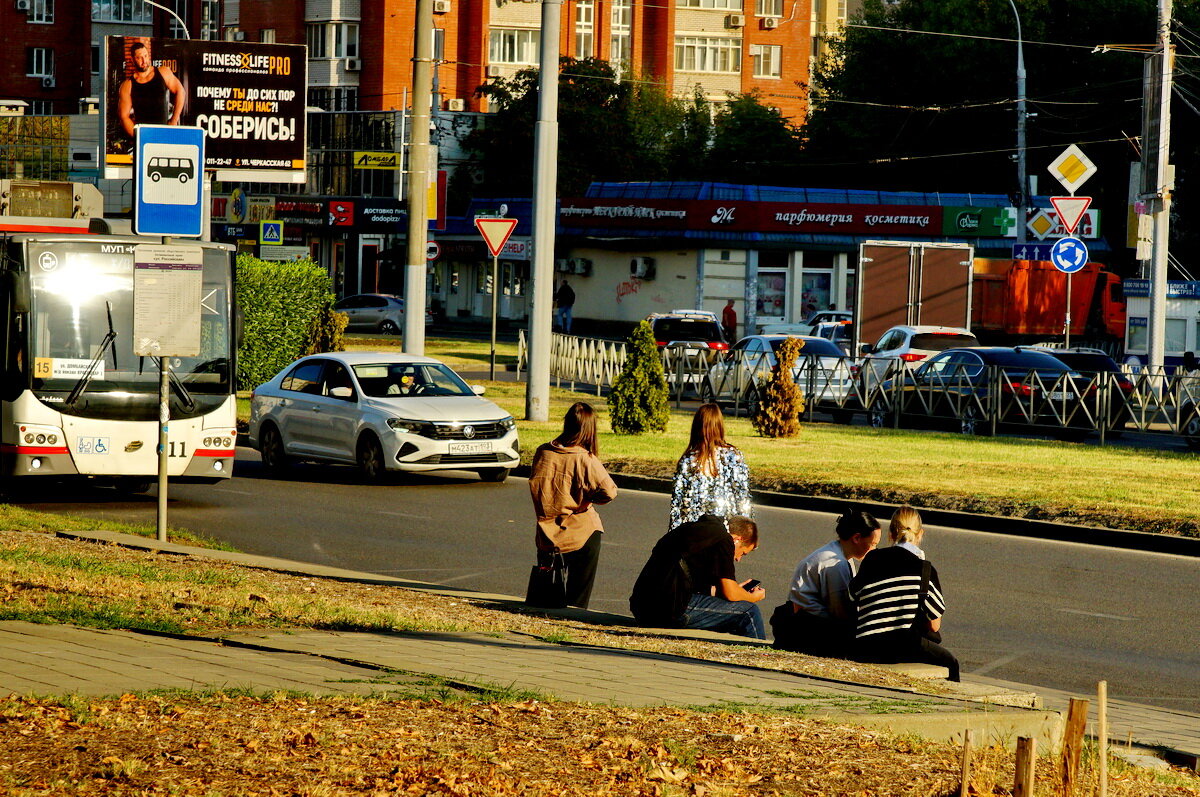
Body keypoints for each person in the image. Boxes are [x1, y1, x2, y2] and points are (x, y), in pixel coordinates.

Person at [849, 506, 960, 681]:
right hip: (903, 648)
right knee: (951, 664)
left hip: (866, 646)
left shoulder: (871, 560)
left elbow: (853, 598)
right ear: (920, 534)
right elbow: (934, 626)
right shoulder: (925, 570)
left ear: (890, 534)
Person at [527, 401, 617, 609]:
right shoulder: (585, 459)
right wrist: (588, 499)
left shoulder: (543, 453)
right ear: (589, 429)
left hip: (547, 533)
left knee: (547, 596)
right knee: (577, 601)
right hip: (582, 532)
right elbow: (610, 491)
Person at [630, 514, 765, 639]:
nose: (738, 559)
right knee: (749, 612)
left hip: (643, 608)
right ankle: (762, 657)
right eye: (743, 553)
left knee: (729, 613)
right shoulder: (724, 540)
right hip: (669, 610)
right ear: (737, 540)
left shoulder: (694, 530)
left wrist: (735, 590)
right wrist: (751, 597)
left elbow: (688, 581)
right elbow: (730, 594)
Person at [770, 507, 881, 656]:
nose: (875, 549)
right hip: (807, 628)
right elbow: (840, 611)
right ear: (856, 538)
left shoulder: (838, 553)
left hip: (802, 621)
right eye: (873, 544)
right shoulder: (835, 564)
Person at [669, 403, 751, 530]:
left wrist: (673, 536)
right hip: (724, 531)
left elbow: (678, 504)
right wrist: (747, 532)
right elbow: (742, 496)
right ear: (720, 426)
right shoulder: (733, 456)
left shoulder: (688, 460)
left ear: (696, 427)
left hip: (694, 533)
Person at [118, 40, 186, 139]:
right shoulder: (127, 85)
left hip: (165, 132)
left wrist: (174, 120)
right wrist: (139, 138)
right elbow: (124, 117)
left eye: (145, 56)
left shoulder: (163, 72)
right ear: (133, 59)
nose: (144, 60)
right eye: (139, 58)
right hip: (144, 135)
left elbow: (181, 92)